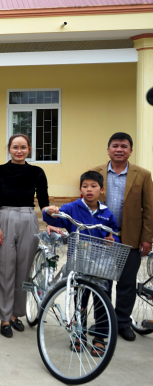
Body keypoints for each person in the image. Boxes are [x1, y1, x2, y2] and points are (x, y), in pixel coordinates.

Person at [42, 170, 120, 356]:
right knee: (80, 300)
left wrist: (112, 240)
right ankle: (79, 334)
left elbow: (114, 234)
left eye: (93, 186)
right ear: (80, 189)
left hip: (102, 264)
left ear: (101, 189)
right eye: (85, 186)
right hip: (79, 262)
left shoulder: (106, 213)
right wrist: (49, 211)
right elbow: (52, 216)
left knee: (103, 299)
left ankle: (100, 337)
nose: (89, 190)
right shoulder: (72, 208)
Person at [90, 132, 153, 342]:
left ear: (130, 151)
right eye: (115, 146)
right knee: (102, 284)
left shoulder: (143, 175)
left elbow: (149, 209)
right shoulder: (95, 173)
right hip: (102, 238)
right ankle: (102, 324)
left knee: (126, 284)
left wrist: (146, 238)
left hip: (131, 238)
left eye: (124, 146)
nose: (119, 149)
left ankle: (123, 322)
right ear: (108, 149)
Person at [0, 133, 49, 338]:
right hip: (4, 217)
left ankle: (16, 314)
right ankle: (4, 318)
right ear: (9, 149)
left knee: (24, 270)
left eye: (23, 147)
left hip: (28, 218)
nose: (19, 151)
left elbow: (44, 201)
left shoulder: (37, 172)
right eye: (15, 147)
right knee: (5, 269)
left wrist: (51, 223)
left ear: (29, 149)